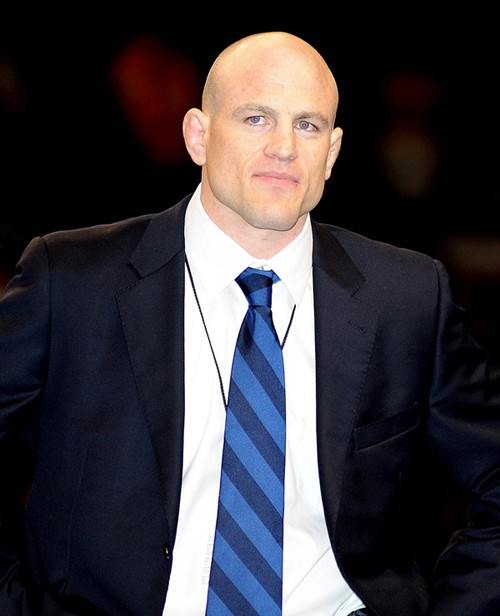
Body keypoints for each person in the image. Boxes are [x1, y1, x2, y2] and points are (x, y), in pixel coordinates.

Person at [1, 30, 500, 616]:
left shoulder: (407, 297)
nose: (285, 147)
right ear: (198, 135)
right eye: (256, 118)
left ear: (332, 152)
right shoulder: (72, 282)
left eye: (308, 125)